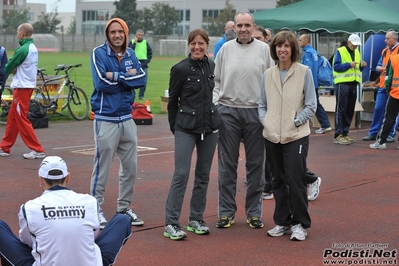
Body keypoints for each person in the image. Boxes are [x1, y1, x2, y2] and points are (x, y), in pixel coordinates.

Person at [0, 156, 132, 266]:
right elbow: (90, 236)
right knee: (123, 219)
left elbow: (26, 242)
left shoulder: (29, 207)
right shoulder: (90, 202)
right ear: (68, 177)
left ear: (40, 179)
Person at [213, 12, 274, 229]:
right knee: (227, 165)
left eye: (247, 25)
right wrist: (217, 103)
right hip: (228, 111)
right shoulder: (226, 50)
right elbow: (216, 79)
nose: (243, 29)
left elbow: (271, 79)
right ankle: (226, 213)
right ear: (234, 28)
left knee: (256, 165)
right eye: (239, 25)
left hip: (255, 112)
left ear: (253, 26)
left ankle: (254, 213)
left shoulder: (264, 50)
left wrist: (266, 109)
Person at [259, 30, 317, 241]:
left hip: (296, 136)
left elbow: (311, 104)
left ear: (293, 49)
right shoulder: (268, 74)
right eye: (278, 46)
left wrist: (296, 122)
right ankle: (282, 222)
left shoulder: (304, 72)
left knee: (295, 179)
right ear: (274, 49)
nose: (282, 50)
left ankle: (300, 223)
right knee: (277, 180)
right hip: (272, 135)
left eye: (286, 46)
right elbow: (261, 105)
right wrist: (267, 122)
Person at [164, 28, 220, 240]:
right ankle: (171, 222)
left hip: (210, 128)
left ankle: (196, 218)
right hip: (185, 129)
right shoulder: (179, 69)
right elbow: (172, 102)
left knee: (203, 175)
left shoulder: (212, 66)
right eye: (193, 44)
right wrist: (176, 127)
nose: (197, 47)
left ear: (207, 46)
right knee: (181, 174)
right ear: (189, 46)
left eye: (201, 43)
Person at [90, 18, 146, 229]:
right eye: (113, 32)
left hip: (127, 118)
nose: (117, 35)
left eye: (120, 31)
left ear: (125, 33)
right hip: (106, 118)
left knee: (130, 167)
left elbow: (141, 80)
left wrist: (116, 75)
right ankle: (95, 207)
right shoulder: (98, 53)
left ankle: (123, 208)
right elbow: (101, 84)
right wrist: (126, 78)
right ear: (108, 34)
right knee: (102, 167)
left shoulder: (131, 54)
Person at [0, 23, 46, 159]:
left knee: (21, 119)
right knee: (13, 118)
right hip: (26, 86)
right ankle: (5, 147)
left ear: (22, 33)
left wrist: (12, 67)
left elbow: (7, 68)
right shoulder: (32, 48)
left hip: (22, 88)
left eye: (18, 32)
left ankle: (37, 149)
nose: (17, 34)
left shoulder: (22, 49)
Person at [363, 31, 399, 142]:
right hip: (383, 86)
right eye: (385, 38)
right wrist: (379, 68)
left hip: (394, 88)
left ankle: (389, 134)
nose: (385, 41)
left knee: (391, 113)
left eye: (387, 38)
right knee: (378, 109)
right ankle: (373, 133)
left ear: (394, 39)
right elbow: (379, 65)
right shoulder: (384, 51)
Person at [332, 34, 367, 145]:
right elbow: (336, 67)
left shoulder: (357, 52)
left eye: (357, 45)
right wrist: (348, 65)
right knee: (341, 109)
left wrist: (362, 66)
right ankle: (338, 135)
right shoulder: (340, 51)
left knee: (349, 109)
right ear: (348, 42)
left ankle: (345, 133)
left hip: (353, 84)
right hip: (342, 84)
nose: (356, 47)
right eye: (354, 45)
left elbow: (357, 69)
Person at [299, 33, 332, 134]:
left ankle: (324, 124)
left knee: (312, 104)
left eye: (300, 40)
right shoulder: (314, 52)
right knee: (315, 103)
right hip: (315, 83)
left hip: (310, 83)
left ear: (306, 41)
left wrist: (305, 83)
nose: (299, 42)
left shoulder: (308, 53)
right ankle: (325, 124)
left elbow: (307, 69)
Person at [369, 53, 399, 150]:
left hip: (395, 93)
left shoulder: (394, 59)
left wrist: (388, 89)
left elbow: (389, 76)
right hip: (395, 92)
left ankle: (381, 141)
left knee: (389, 118)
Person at [128, 29, 152, 100]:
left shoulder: (145, 42)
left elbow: (150, 52)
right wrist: (134, 43)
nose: (140, 36)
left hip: (144, 65)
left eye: (141, 35)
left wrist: (147, 61)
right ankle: (133, 95)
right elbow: (129, 51)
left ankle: (141, 95)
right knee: (132, 80)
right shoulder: (132, 42)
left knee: (144, 81)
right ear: (136, 35)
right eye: (139, 35)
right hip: (134, 65)